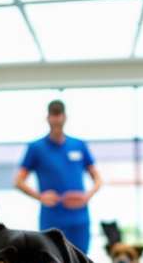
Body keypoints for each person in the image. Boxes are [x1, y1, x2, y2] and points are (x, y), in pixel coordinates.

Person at [14, 99, 102, 255]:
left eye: (59, 116)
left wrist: (87, 197)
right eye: (53, 116)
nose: (56, 120)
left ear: (64, 117)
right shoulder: (36, 148)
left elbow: (98, 179)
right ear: (48, 118)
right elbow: (18, 181)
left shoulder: (79, 145)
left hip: (79, 219)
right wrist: (40, 196)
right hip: (52, 221)